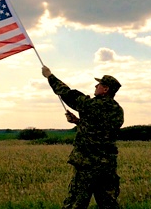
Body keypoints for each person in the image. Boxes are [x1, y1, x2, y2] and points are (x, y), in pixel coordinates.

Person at [41, 65, 124, 209]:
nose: (96, 85)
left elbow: (68, 94)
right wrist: (79, 122)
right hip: (107, 167)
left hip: (87, 165)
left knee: (75, 203)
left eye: (100, 84)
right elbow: (100, 132)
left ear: (106, 89)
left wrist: (50, 76)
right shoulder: (118, 110)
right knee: (108, 204)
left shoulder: (91, 105)